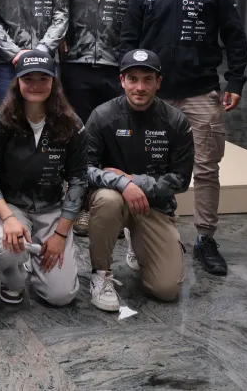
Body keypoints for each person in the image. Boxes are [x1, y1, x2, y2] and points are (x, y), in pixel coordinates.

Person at [119, 0, 247, 276]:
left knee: (206, 169)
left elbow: (235, 37)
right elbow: (128, 40)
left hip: (200, 93)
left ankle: (206, 238)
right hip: (152, 97)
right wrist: (131, 84)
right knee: (148, 167)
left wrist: (236, 81)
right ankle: (149, 235)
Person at [83, 49, 193, 309]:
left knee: (166, 289)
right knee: (108, 200)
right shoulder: (102, 116)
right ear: (122, 80)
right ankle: (101, 274)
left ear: (159, 82)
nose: (140, 87)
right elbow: (83, 169)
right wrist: (122, 184)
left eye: (148, 80)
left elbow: (180, 179)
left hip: (153, 206)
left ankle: (139, 242)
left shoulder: (176, 122)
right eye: (133, 79)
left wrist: (134, 181)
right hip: (111, 199)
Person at [63, 0, 148, 237]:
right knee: (82, 137)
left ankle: (121, 208)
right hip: (77, 64)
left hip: (120, 65)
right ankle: (84, 206)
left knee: (120, 137)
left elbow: (144, 15)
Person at [0, 50, 86, 306]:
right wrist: (8, 217)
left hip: (52, 208)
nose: (35, 85)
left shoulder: (71, 123)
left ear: (53, 82)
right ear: (17, 82)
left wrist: (60, 234)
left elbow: (79, 179)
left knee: (60, 296)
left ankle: (39, 261)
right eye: (28, 79)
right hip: (11, 205)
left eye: (43, 79)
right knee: (4, 245)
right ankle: (13, 278)